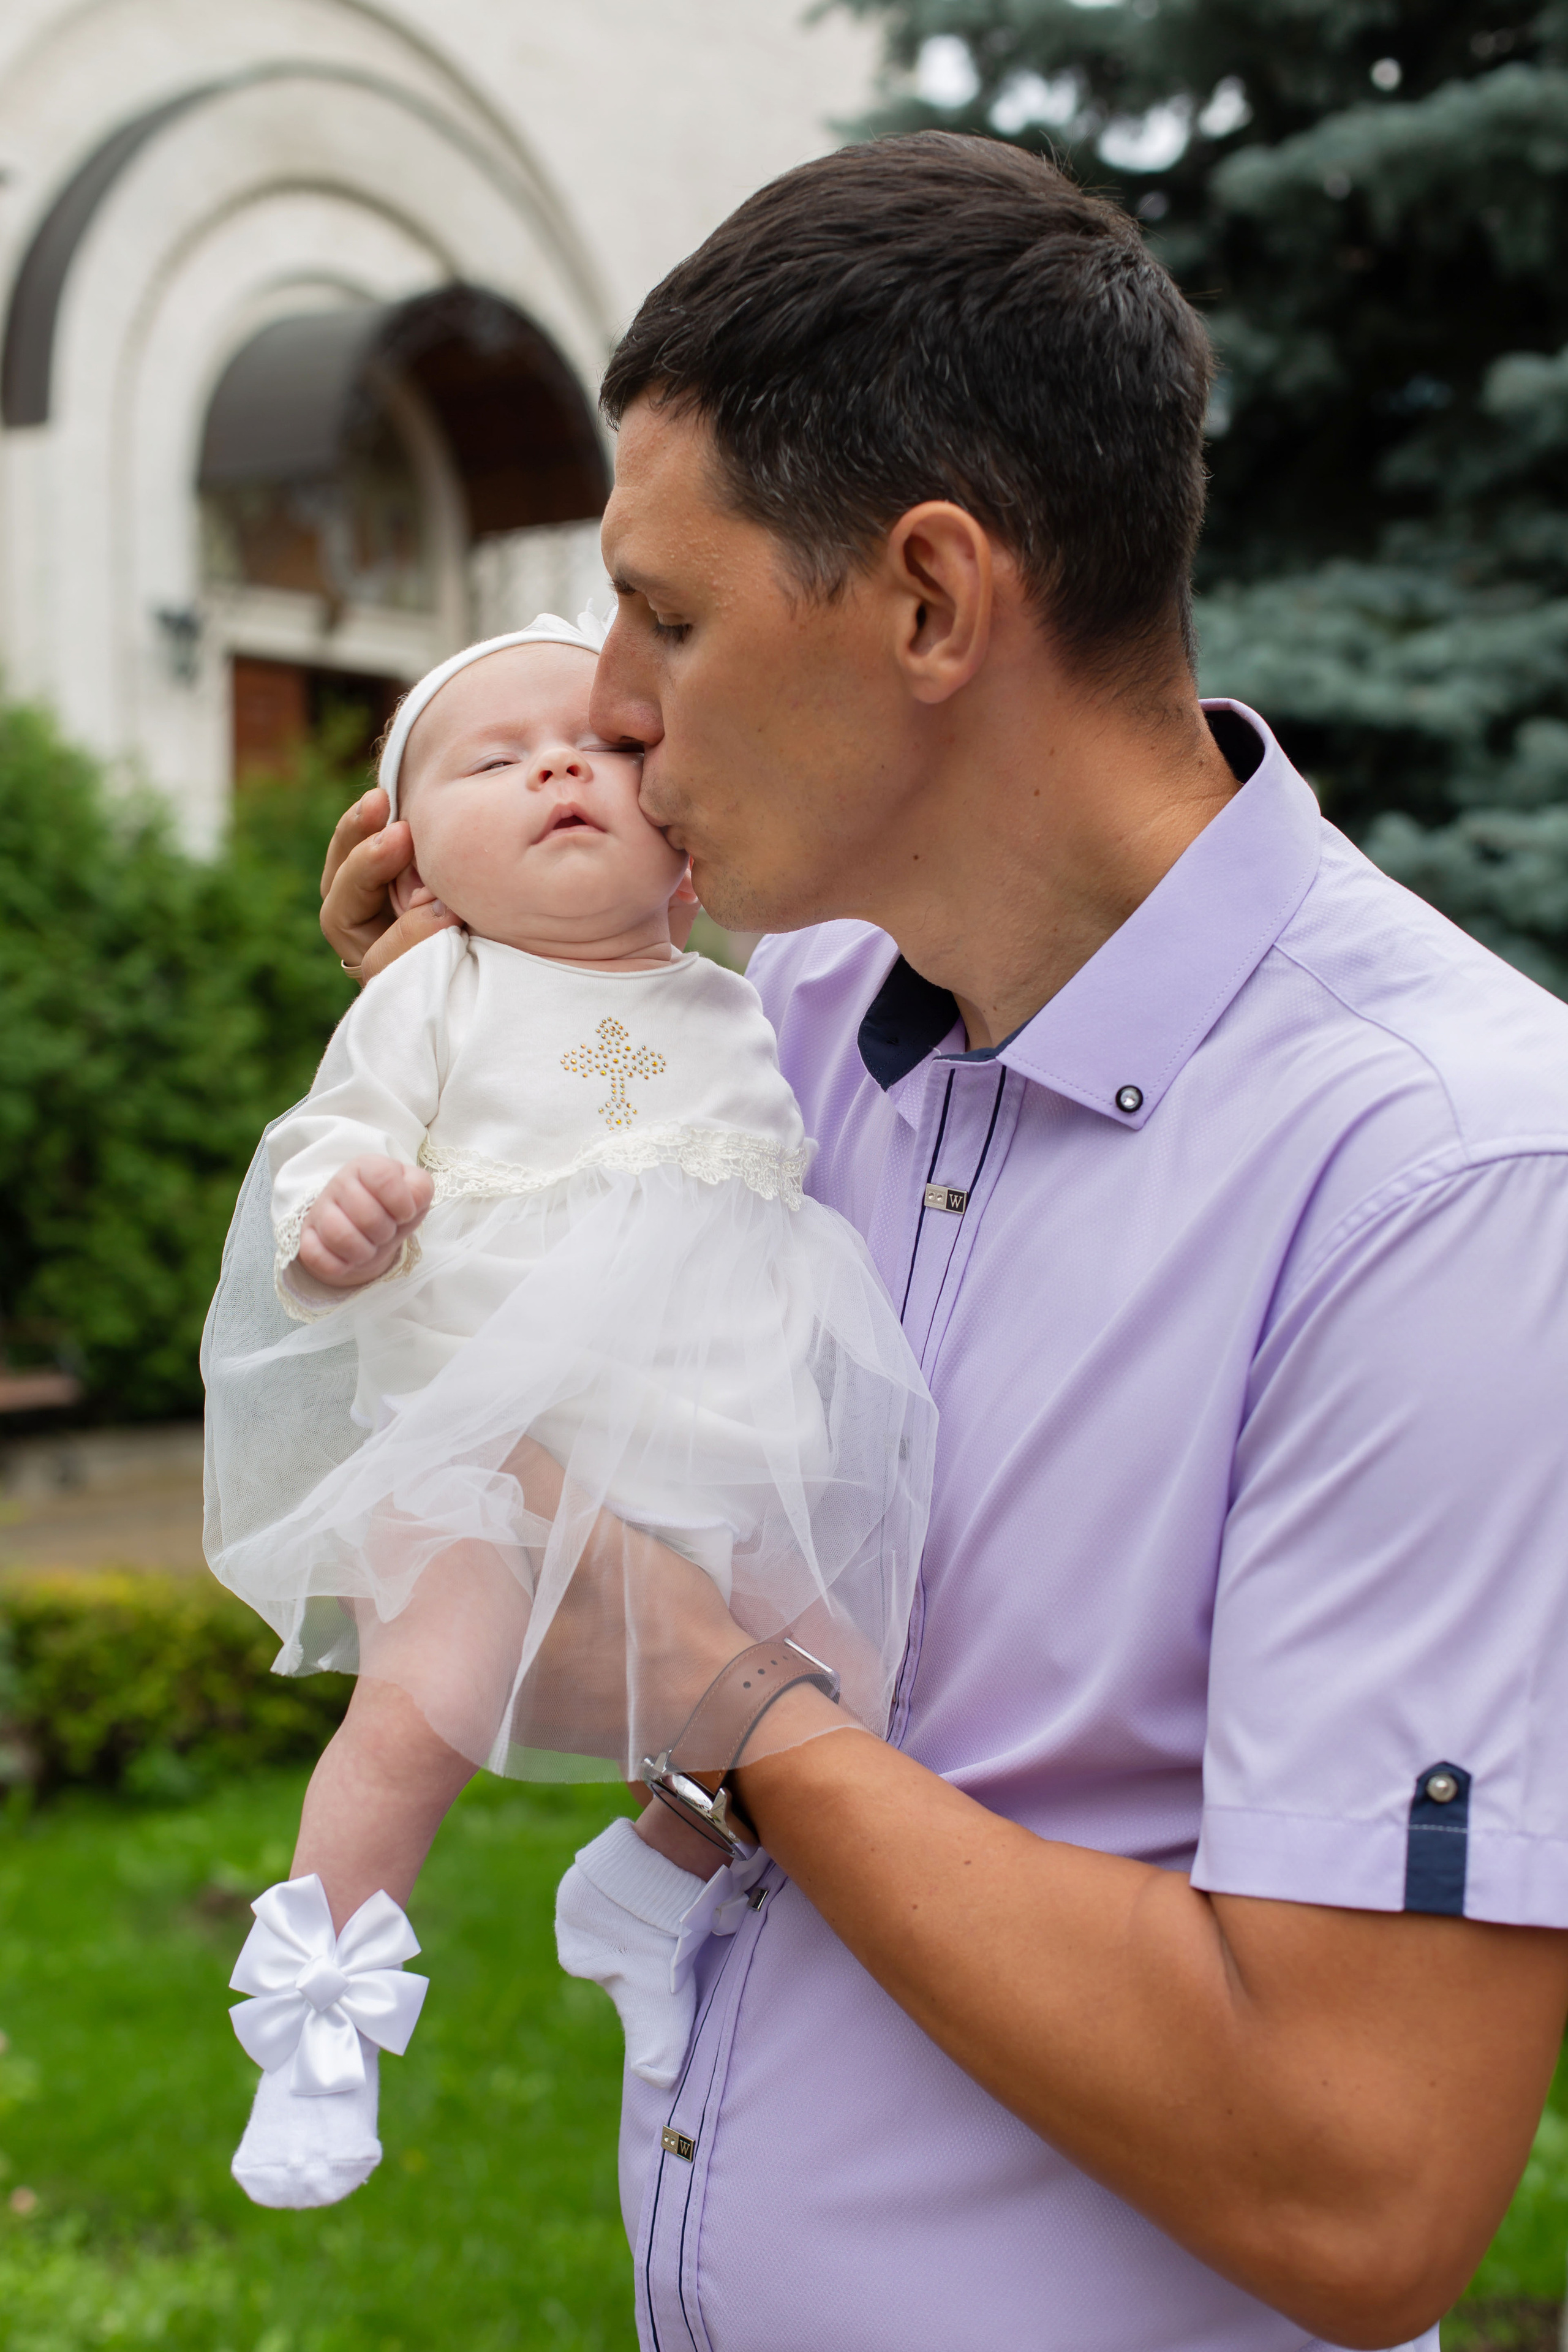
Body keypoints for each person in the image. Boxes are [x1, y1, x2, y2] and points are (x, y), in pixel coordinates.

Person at [320, 131, 1568, 2352]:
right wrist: (476, 998)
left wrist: (733, 1709)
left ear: (927, 601)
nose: (605, 700)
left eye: (669, 616)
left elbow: (1367, 2189)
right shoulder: (768, 1038)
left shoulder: (1450, 1183)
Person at [203, 611, 934, 2211]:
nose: (558, 764)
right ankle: (321, 2024)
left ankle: (656, 1880)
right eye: (494, 754)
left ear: (684, 848)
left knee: (840, 1689)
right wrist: (344, 1217)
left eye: (607, 745)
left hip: (724, 1450)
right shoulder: (435, 990)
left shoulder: (738, 1001)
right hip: (481, 1445)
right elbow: (329, 1146)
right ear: (412, 861)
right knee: (417, 1712)